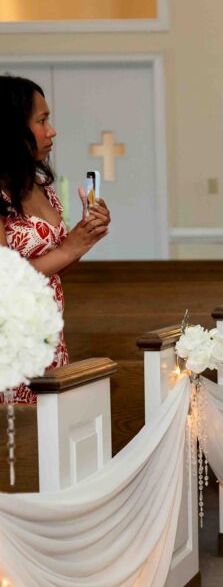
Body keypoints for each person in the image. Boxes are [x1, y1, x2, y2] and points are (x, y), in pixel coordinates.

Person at [0, 75, 110, 403]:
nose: (52, 130)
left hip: (50, 337)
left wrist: (85, 237)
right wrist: (71, 246)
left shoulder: (40, 186)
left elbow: (51, 271)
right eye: (42, 120)